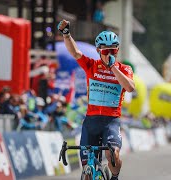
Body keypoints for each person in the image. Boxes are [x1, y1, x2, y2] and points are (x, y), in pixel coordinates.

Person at [58, 19, 135, 180]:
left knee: (112, 154)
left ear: (117, 50)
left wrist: (113, 67)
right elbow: (76, 53)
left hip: (111, 122)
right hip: (91, 121)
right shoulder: (91, 66)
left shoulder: (124, 69)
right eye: (106, 52)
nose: (109, 55)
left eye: (113, 51)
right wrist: (66, 35)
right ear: (99, 51)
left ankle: (114, 177)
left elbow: (129, 88)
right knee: (87, 169)